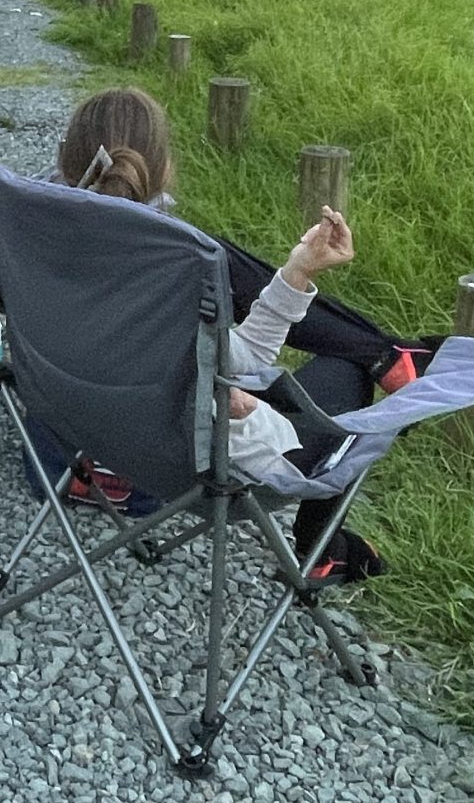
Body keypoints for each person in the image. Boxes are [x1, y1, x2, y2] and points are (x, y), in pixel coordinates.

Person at [50, 86, 387, 584]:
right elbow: (245, 358)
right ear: (164, 171)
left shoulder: (40, 249)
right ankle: (324, 547)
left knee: (264, 387)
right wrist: (297, 274)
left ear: (64, 161)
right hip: (203, 464)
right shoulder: (173, 266)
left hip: (93, 433)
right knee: (355, 370)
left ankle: (326, 544)